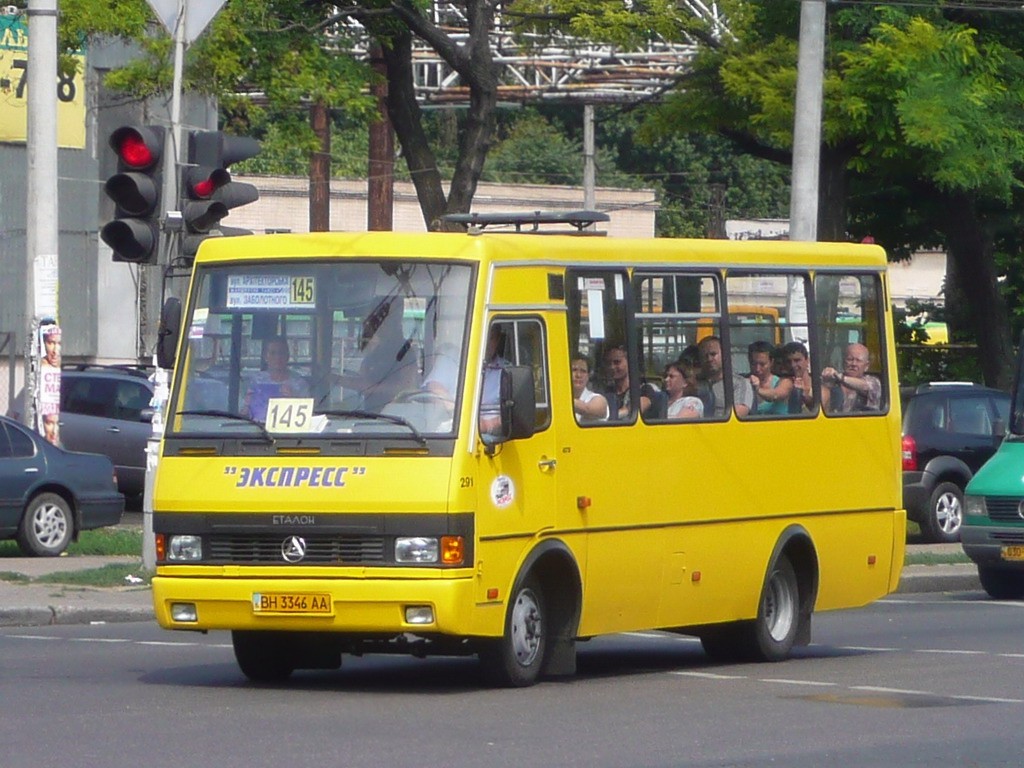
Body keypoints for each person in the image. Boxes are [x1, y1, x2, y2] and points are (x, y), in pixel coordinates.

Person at [243, 337, 310, 422]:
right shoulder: (255, 382)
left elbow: (307, 417)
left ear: (288, 356)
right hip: (257, 431)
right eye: (273, 353)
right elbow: (241, 415)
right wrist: (247, 404)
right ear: (266, 357)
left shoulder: (299, 384)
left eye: (281, 353)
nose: (278, 357)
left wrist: (294, 399)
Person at [697, 335, 753, 418]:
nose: (709, 359)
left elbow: (739, 413)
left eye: (713, 354)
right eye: (705, 356)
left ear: (724, 354)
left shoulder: (739, 383)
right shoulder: (697, 383)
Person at [821, 342, 882, 413]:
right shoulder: (834, 382)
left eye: (858, 360)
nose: (854, 364)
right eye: (850, 359)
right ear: (844, 362)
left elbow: (864, 386)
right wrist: (826, 384)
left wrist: (839, 377)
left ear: (866, 366)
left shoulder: (874, 382)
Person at [602, 343, 658, 420]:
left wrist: (614, 415)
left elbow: (637, 407)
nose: (612, 367)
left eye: (617, 362)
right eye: (608, 363)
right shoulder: (607, 391)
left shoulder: (644, 389)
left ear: (629, 362)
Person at [479, 325, 511, 434]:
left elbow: (517, 413)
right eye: (482, 337)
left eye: (490, 338)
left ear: (497, 340)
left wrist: (488, 425)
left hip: (492, 435)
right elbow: (434, 386)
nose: (485, 343)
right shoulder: (457, 363)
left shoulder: (507, 371)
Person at [748, 340, 793, 415]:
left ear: (771, 362)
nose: (757, 369)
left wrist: (757, 389)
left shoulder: (785, 382)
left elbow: (776, 395)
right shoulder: (743, 383)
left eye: (762, 364)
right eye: (753, 364)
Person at [781, 341, 819, 412]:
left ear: (807, 360)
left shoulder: (817, 386)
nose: (793, 365)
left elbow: (820, 408)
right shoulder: (781, 384)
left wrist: (802, 394)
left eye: (797, 360)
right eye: (788, 361)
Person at [571, 356, 609, 422]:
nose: (578, 375)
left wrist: (562, 400)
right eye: (574, 370)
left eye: (583, 371)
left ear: (588, 376)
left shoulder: (597, 398)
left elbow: (588, 409)